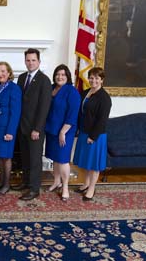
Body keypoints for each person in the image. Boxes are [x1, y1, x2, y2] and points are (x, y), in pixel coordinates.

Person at [12, 48, 52, 201]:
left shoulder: (44, 80)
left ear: (39, 62)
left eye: (33, 60)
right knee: (25, 158)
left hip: (35, 128)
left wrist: (37, 128)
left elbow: (44, 107)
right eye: (28, 60)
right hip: (23, 127)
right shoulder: (22, 78)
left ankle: (34, 189)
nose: (30, 63)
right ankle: (26, 183)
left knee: (35, 160)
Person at [73, 67, 112, 201]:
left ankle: (91, 188)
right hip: (84, 132)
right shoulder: (85, 93)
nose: (93, 80)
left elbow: (102, 120)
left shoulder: (104, 98)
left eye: (96, 78)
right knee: (87, 162)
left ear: (102, 80)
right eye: (91, 77)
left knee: (94, 164)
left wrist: (93, 136)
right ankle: (86, 183)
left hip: (96, 136)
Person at [44, 64, 81, 201]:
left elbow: (72, 114)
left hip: (65, 131)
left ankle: (65, 186)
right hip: (51, 129)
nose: (60, 77)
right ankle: (56, 181)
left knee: (63, 159)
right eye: (58, 74)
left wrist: (63, 132)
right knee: (55, 158)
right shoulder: (52, 88)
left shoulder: (72, 91)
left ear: (68, 77)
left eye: (63, 75)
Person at [0, 62, 21, 196]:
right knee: (0, 156)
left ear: (9, 73)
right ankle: (2, 181)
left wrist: (10, 132)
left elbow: (16, 112)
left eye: (3, 71)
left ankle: (7, 184)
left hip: (6, 129)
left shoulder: (14, 89)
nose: (0, 74)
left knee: (6, 157)